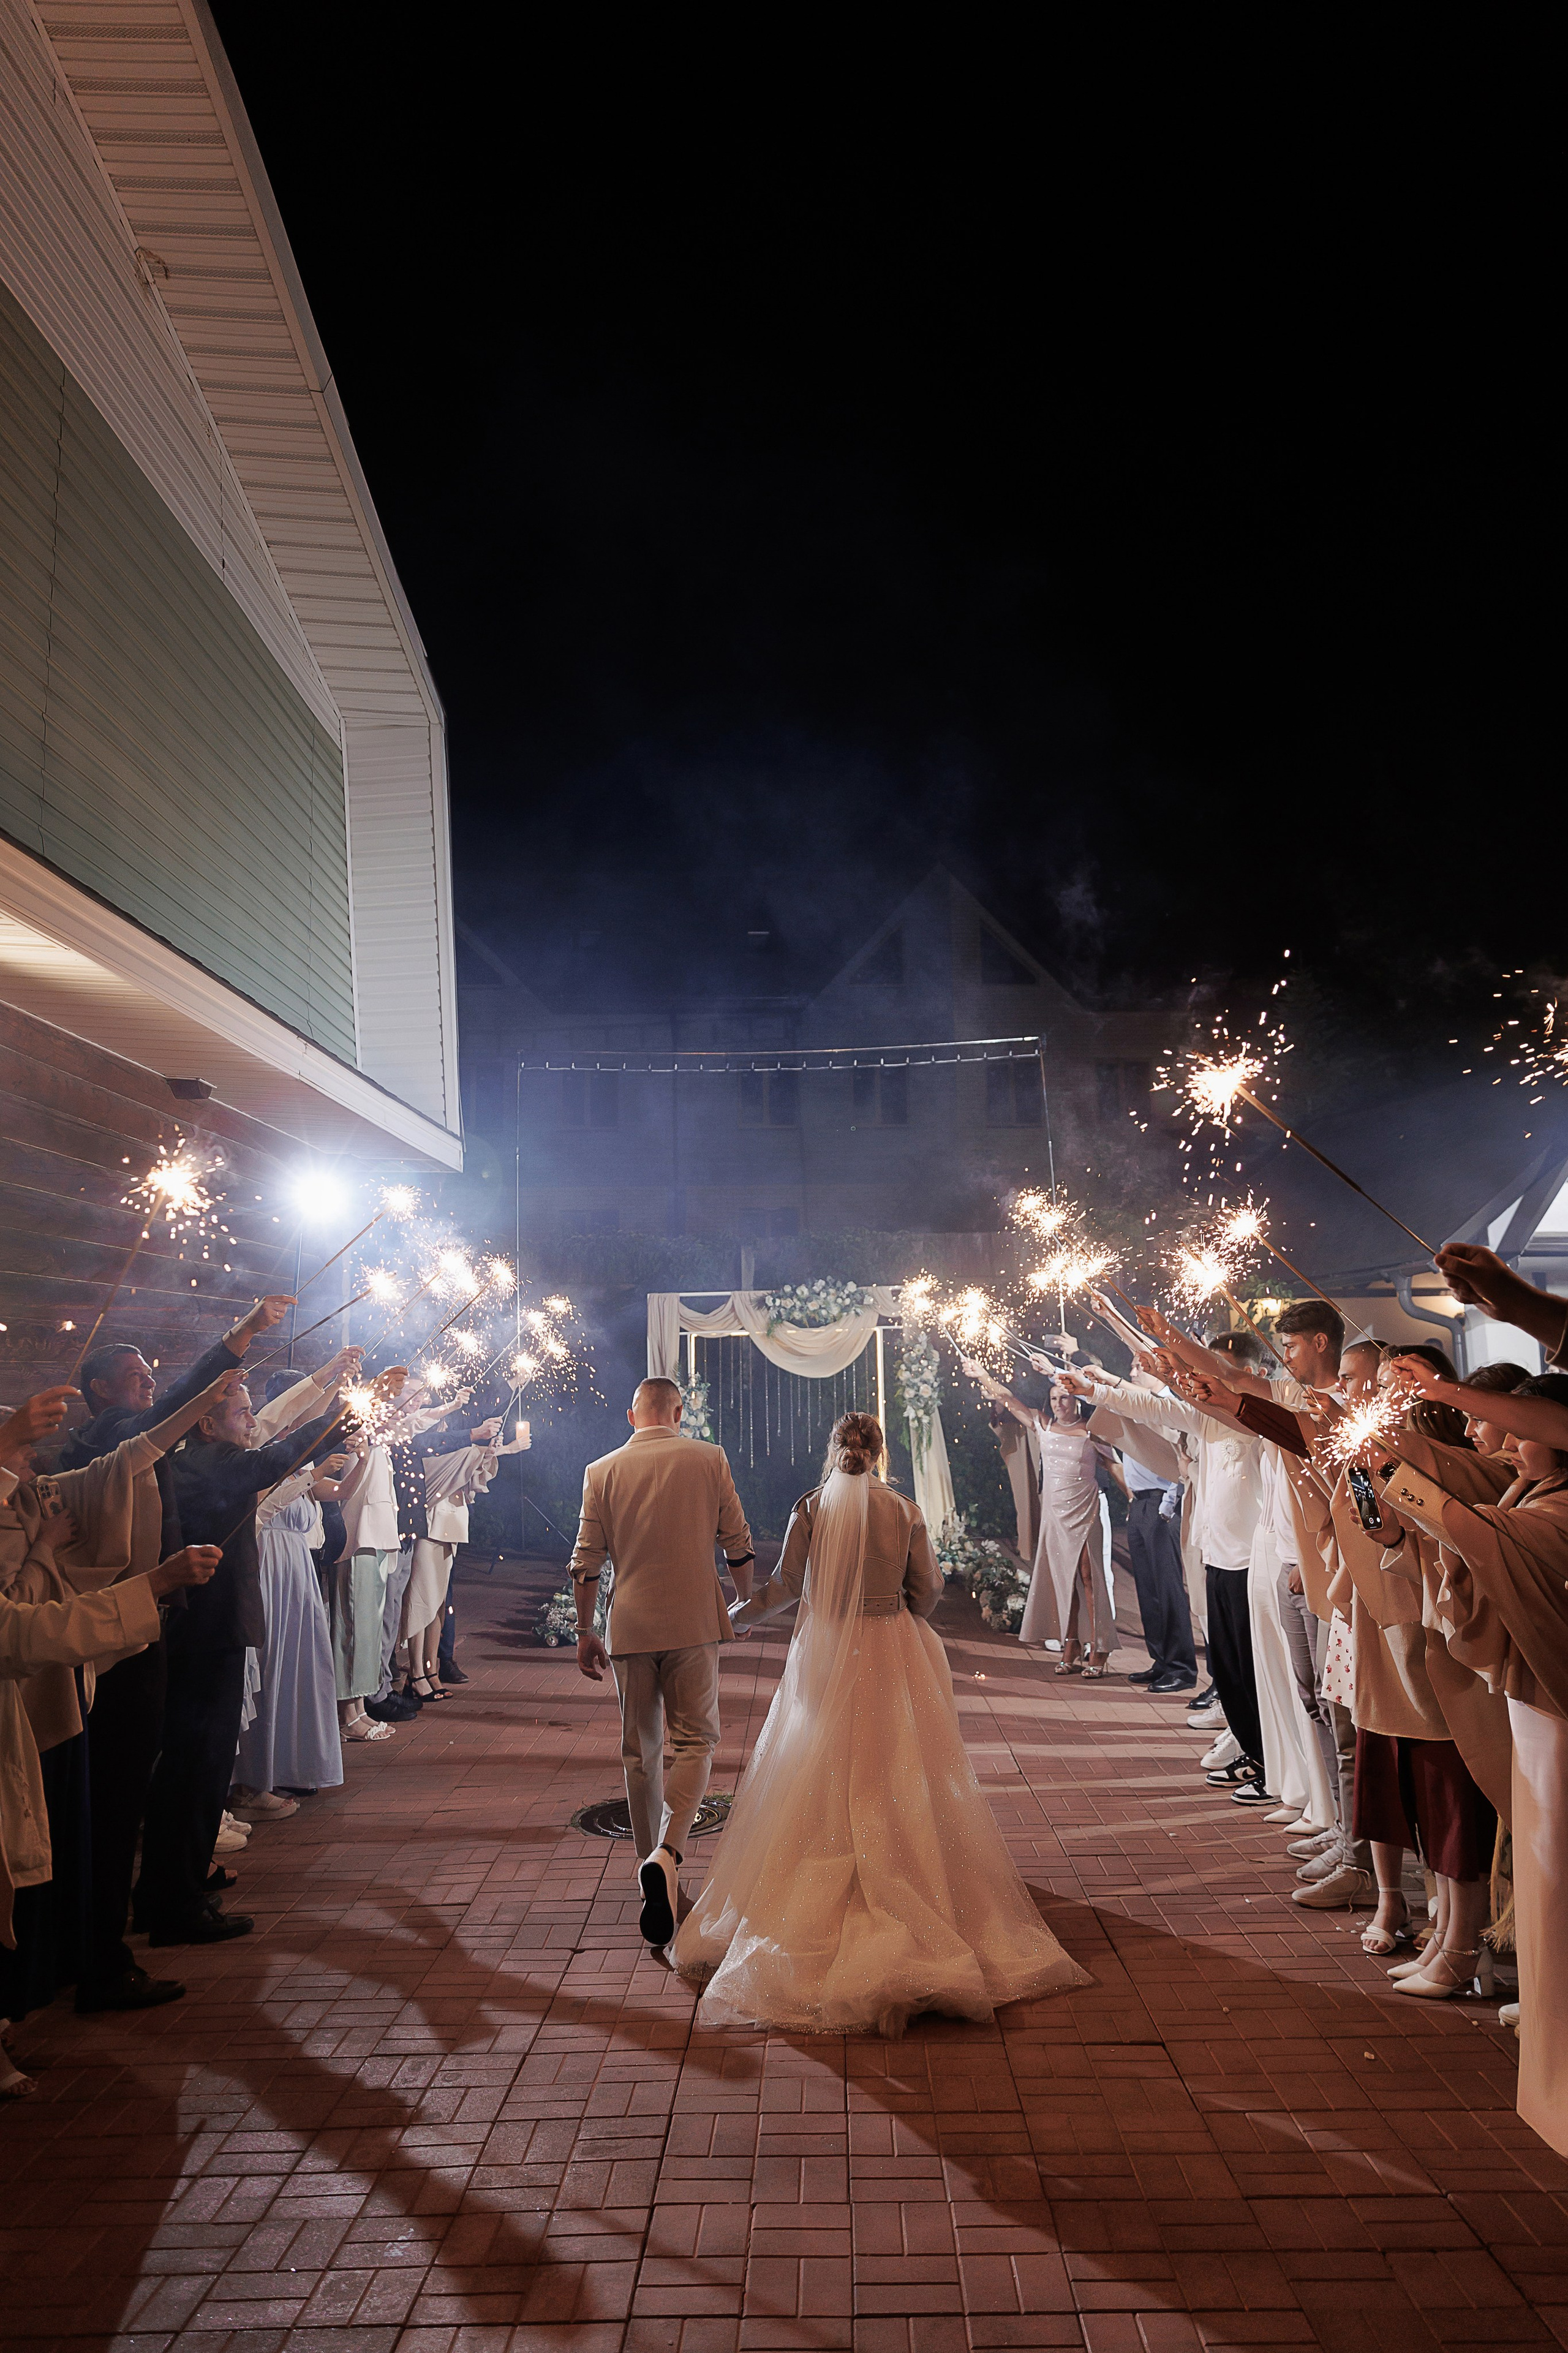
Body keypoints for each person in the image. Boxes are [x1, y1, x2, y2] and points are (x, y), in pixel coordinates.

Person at [671, 1413, 1091, 2036]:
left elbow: (787, 1584)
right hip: (892, 1650)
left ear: (833, 1447)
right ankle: (907, 1874)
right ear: (880, 1451)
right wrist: (896, 1603)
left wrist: (734, 1615)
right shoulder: (903, 1509)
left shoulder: (810, 1506)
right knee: (895, 1763)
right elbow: (926, 1592)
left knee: (817, 1760)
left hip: (825, 1648)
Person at [135, 1376, 344, 1945]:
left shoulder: (208, 1457)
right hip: (206, 1631)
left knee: (194, 1766)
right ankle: (175, 1900)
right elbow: (273, 1459)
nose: (251, 1421)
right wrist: (337, 1418)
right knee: (196, 1768)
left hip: (209, 1630)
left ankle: (169, 1888)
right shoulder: (209, 1461)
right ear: (206, 1422)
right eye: (242, 1412)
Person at [569, 1375, 755, 1948]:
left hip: (630, 1627)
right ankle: (670, 1852)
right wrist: (742, 1603)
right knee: (697, 1741)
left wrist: (583, 1629)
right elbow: (738, 1541)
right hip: (694, 1621)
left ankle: (657, 1877)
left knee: (640, 1752)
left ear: (632, 1416)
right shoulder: (708, 1457)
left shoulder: (601, 1471)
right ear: (679, 1412)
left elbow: (585, 1561)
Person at [964, 1363, 1122, 1675]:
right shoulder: (1042, 1425)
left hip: (1085, 1512)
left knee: (1090, 1580)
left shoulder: (1092, 1431)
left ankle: (1100, 1646)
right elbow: (1008, 1399)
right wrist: (982, 1374)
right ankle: (1071, 1643)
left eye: (1064, 1398)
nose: (1058, 1405)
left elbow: (1115, 1467)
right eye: (1053, 1400)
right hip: (1054, 1515)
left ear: (1076, 1399)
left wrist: (1136, 1499)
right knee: (1063, 1581)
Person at [396, 1416, 529, 1701]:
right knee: (423, 1602)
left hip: (450, 1529)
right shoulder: (425, 1455)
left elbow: (471, 1477)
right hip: (429, 1529)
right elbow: (463, 1463)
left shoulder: (451, 1453)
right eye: (442, 1427)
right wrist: (504, 1450)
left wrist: (492, 1452)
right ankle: (416, 1673)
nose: (446, 1430)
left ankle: (431, 1670)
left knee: (440, 1606)